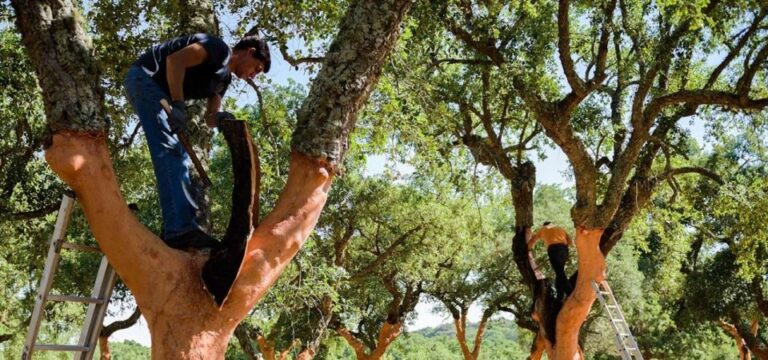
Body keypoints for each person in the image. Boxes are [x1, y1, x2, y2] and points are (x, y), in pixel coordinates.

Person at [123, 33, 270, 250]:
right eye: (256, 69)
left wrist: (220, 118)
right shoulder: (219, 50)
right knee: (169, 149)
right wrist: (179, 105)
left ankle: (182, 228)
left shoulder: (224, 80)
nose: (253, 76)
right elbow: (175, 61)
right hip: (145, 79)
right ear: (249, 52)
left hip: (161, 94)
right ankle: (179, 231)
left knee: (180, 155)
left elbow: (210, 118)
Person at [528, 221, 573, 299]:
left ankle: (570, 291)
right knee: (559, 272)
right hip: (564, 250)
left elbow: (533, 240)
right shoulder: (560, 228)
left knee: (559, 272)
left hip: (554, 250)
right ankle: (560, 296)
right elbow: (570, 242)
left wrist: (528, 249)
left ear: (544, 225)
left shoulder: (544, 229)